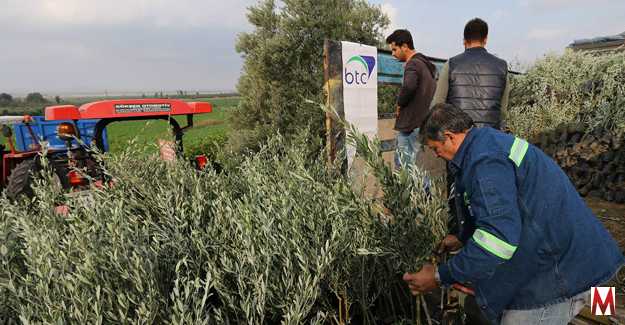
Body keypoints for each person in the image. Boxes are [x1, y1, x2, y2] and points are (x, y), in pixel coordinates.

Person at [402, 103, 624, 325]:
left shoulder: (484, 162)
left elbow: (498, 239)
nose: (437, 155)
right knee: (606, 318)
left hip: (563, 271)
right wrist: (463, 237)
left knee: (521, 319)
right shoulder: (488, 142)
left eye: (435, 148)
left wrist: (440, 276)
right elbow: (501, 206)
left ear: (449, 137)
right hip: (594, 258)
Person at [431, 17, 510, 130]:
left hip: (459, 136)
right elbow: (502, 111)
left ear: (464, 40)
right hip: (489, 136)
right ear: (485, 39)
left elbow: (438, 104)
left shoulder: (451, 64)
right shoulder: (502, 66)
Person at [386, 29, 437, 169]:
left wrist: (399, 104)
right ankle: (424, 191)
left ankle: (417, 191)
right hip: (422, 123)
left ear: (405, 46)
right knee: (417, 168)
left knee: (405, 167)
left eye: (394, 49)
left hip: (411, 125)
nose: (393, 54)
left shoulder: (413, 64)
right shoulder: (426, 65)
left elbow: (408, 86)